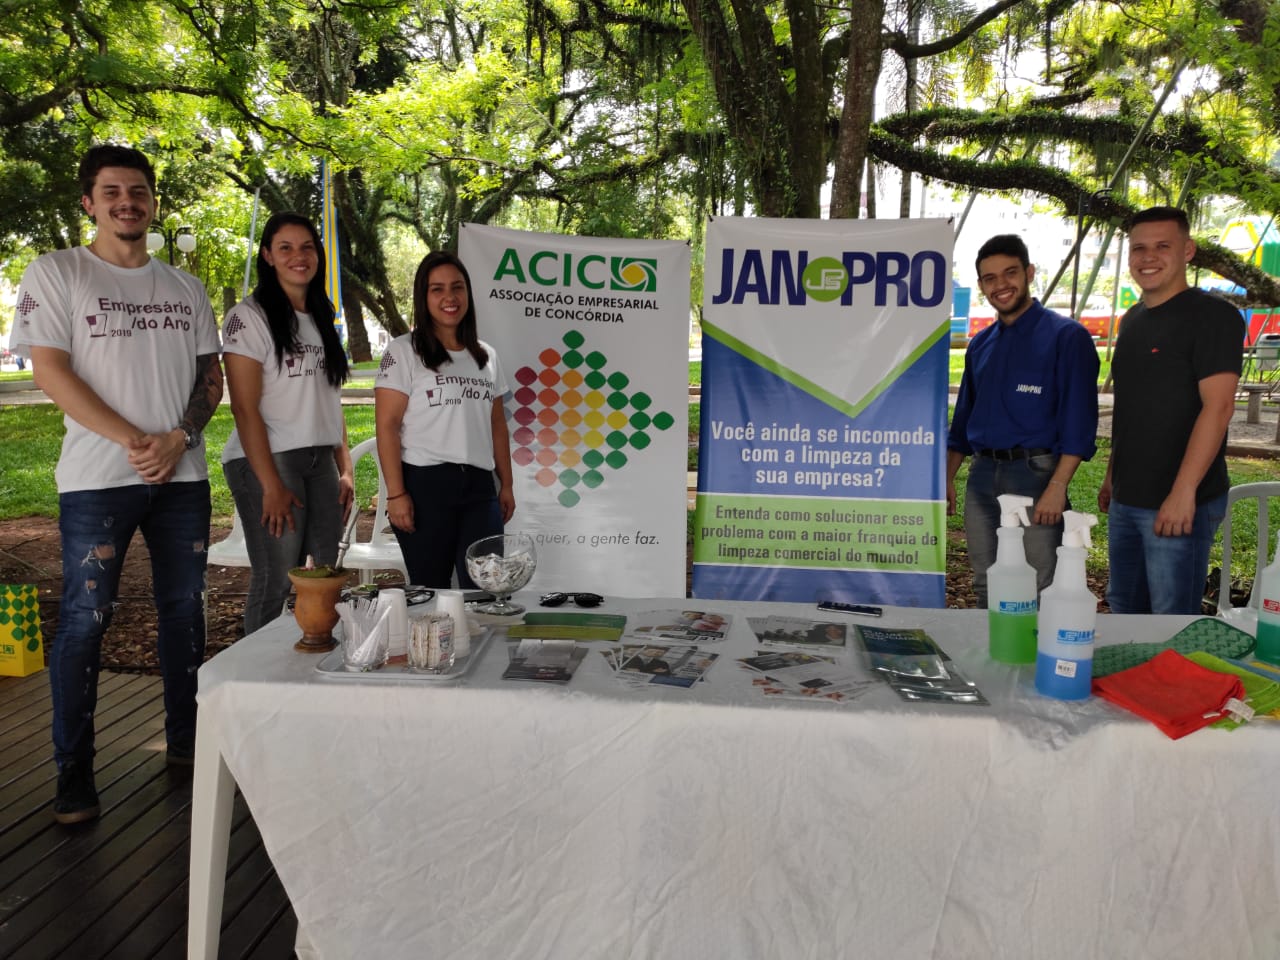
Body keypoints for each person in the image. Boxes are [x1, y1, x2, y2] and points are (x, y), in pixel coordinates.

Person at [10, 145, 223, 824]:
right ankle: (74, 771)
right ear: (89, 202)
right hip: (98, 483)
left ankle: (188, 745)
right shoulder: (57, 272)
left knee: (184, 614)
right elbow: (50, 371)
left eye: (138, 191)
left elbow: (209, 379)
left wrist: (178, 439)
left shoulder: (186, 287)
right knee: (84, 620)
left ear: (153, 201)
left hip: (182, 479)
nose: (127, 202)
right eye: (112, 192)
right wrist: (136, 440)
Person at [1099, 206, 1244, 614]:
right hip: (1128, 498)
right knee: (1125, 608)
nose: (1149, 257)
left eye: (1163, 246)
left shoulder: (1213, 316)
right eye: (1139, 248)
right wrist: (1112, 475)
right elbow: (1133, 407)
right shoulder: (1131, 320)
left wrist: (1184, 493)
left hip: (1182, 502)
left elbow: (1218, 408)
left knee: (1171, 621)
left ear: (1188, 251)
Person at [947, 234, 1100, 605]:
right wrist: (947, 478)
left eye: (1010, 273)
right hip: (982, 477)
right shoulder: (981, 345)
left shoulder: (1067, 337)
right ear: (982, 285)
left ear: (1029, 273)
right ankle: (993, 661)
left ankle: (1037, 662)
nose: (1001, 285)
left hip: (1036, 474)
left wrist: (1058, 486)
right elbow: (963, 420)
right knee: (986, 581)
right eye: (990, 278)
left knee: (1038, 583)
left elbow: (1080, 423)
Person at [221, 212, 354, 634]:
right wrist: (270, 485)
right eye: (286, 248)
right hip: (269, 459)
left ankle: (313, 656)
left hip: (320, 460)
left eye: (307, 247)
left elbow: (329, 398)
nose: (299, 256)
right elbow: (243, 407)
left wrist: (345, 466)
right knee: (277, 575)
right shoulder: (250, 316)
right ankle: (255, 678)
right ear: (267, 256)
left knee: (325, 572)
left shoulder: (321, 314)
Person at [374, 251, 515, 587]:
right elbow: (387, 426)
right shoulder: (404, 351)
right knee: (431, 590)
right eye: (437, 289)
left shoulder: (486, 356)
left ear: (468, 293)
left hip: (480, 489)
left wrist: (506, 483)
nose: (449, 297)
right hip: (425, 487)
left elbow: (496, 424)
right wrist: (395, 495)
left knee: (485, 588)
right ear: (424, 297)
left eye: (457, 287)